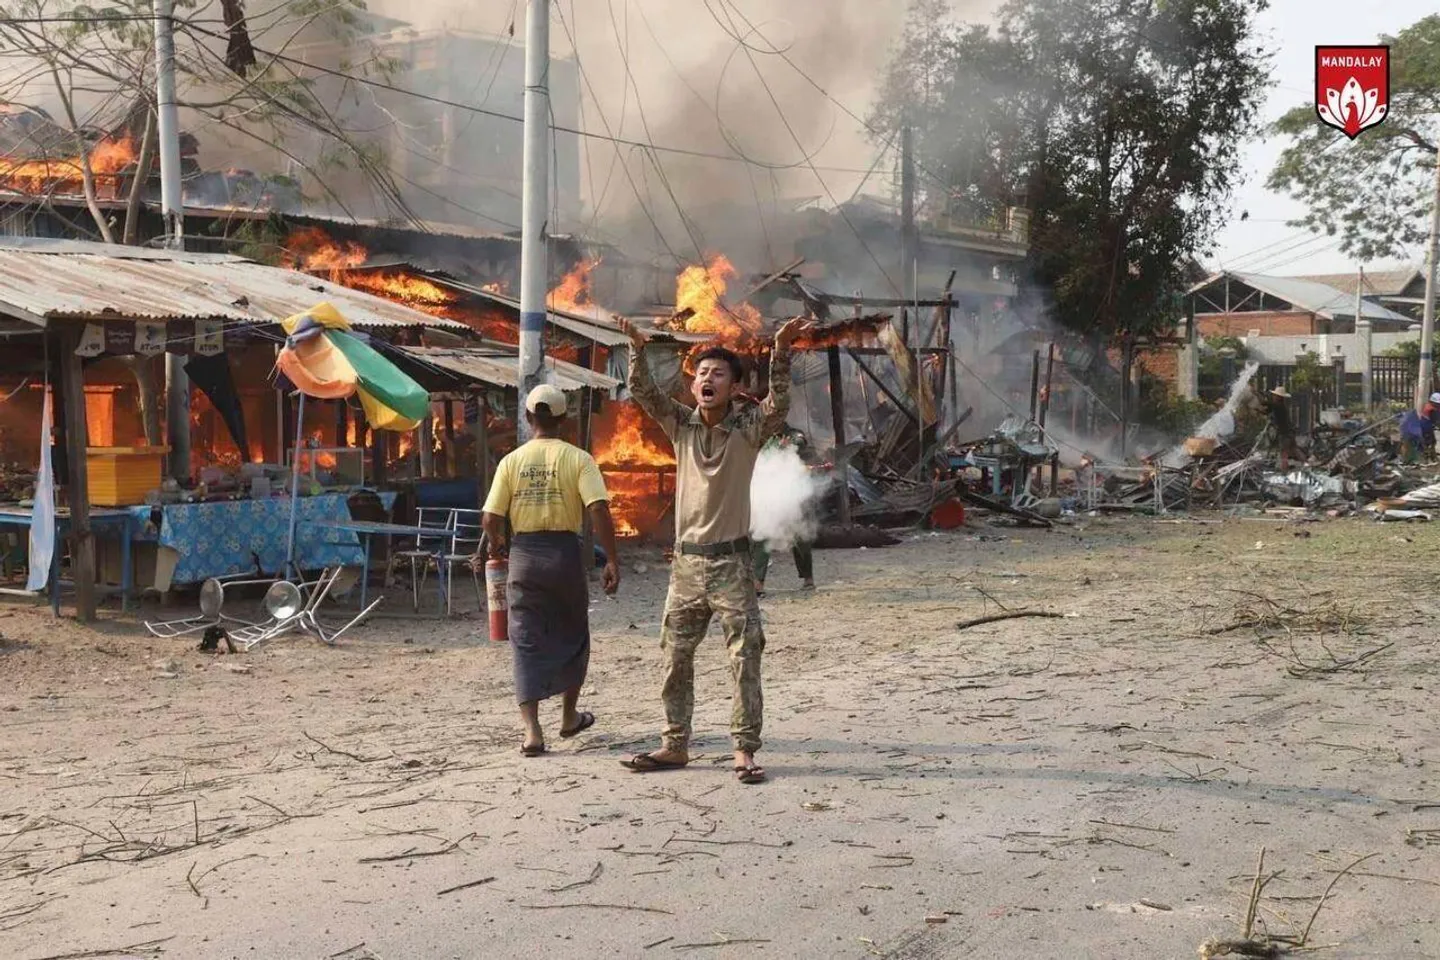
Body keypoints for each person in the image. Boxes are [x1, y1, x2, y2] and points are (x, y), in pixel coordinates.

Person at [617, 315, 812, 785]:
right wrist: (636, 348)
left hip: (732, 564)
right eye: (702, 372)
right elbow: (643, 392)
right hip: (686, 564)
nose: (707, 378)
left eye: (718, 373)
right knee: (674, 656)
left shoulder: (748, 428)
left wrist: (781, 349)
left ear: (735, 386)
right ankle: (674, 744)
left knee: (745, 657)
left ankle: (744, 751)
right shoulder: (680, 426)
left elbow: (778, 403)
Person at [480, 384, 620, 758]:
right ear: (563, 419)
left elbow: (490, 517)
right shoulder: (579, 459)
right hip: (565, 556)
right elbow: (598, 509)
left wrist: (497, 544)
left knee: (525, 639)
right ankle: (570, 716)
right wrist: (611, 558)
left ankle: (532, 733)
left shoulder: (511, 461)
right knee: (573, 633)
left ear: (527, 419)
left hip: (524, 556)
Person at [752, 427, 816, 597]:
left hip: (794, 493)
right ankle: (758, 583)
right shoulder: (764, 438)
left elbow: (799, 444)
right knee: (762, 534)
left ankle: (808, 578)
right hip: (772, 493)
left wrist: (783, 447)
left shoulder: (793, 434)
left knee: (800, 538)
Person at [1266, 386, 1296, 470]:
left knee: (1284, 452)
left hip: (1284, 432)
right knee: (1292, 449)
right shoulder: (1280, 406)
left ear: (1278, 397)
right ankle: (1306, 464)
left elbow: (1266, 404)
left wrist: (1256, 395)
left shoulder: (1278, 406)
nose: (1273, 397)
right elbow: (1268, 410)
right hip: (1287, 431)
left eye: (1275, 396)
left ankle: (1284, 467)